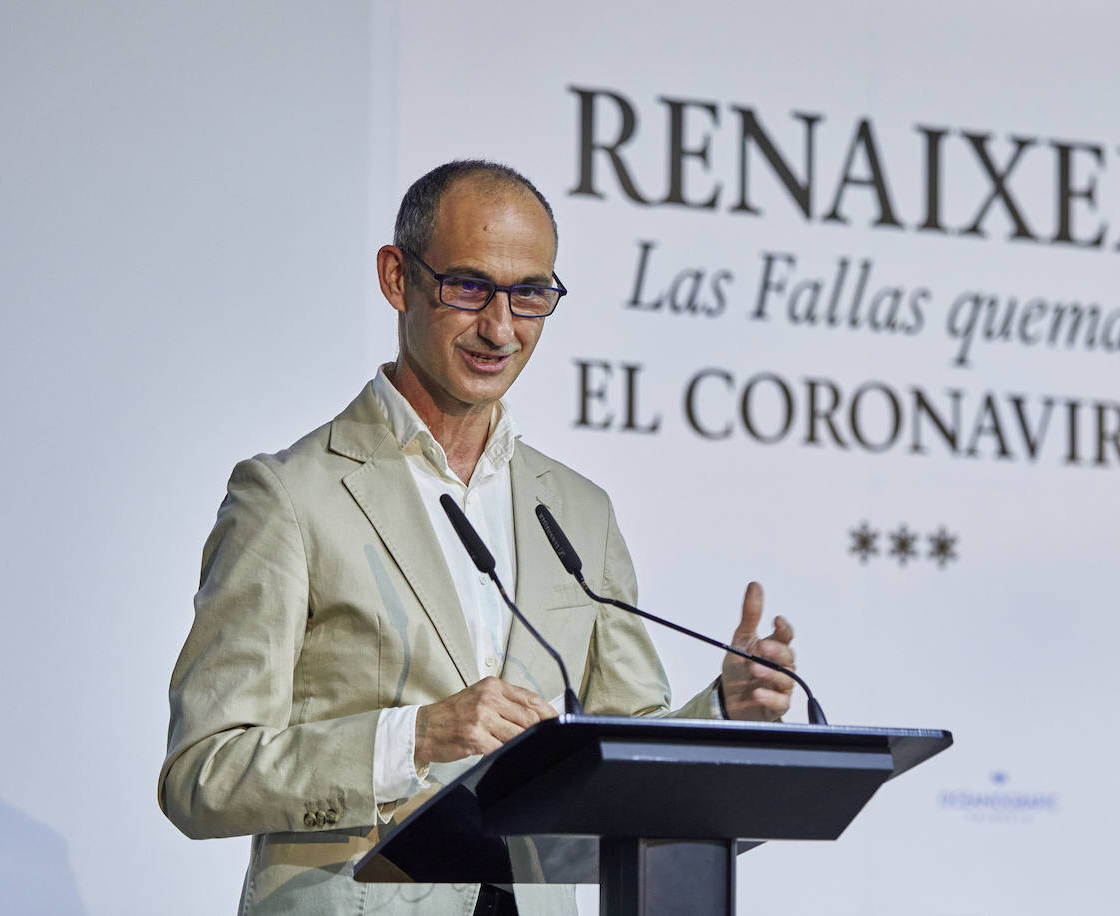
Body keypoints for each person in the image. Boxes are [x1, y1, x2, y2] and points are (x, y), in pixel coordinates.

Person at [158, 160, 799, 916]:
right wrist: (415, 737)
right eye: (468, 287)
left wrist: (722, 709)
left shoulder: (579, 511)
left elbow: (621, 743)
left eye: (530, 295)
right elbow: (202, 774)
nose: (500, 328)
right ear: (398, 278)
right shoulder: (290, 496)